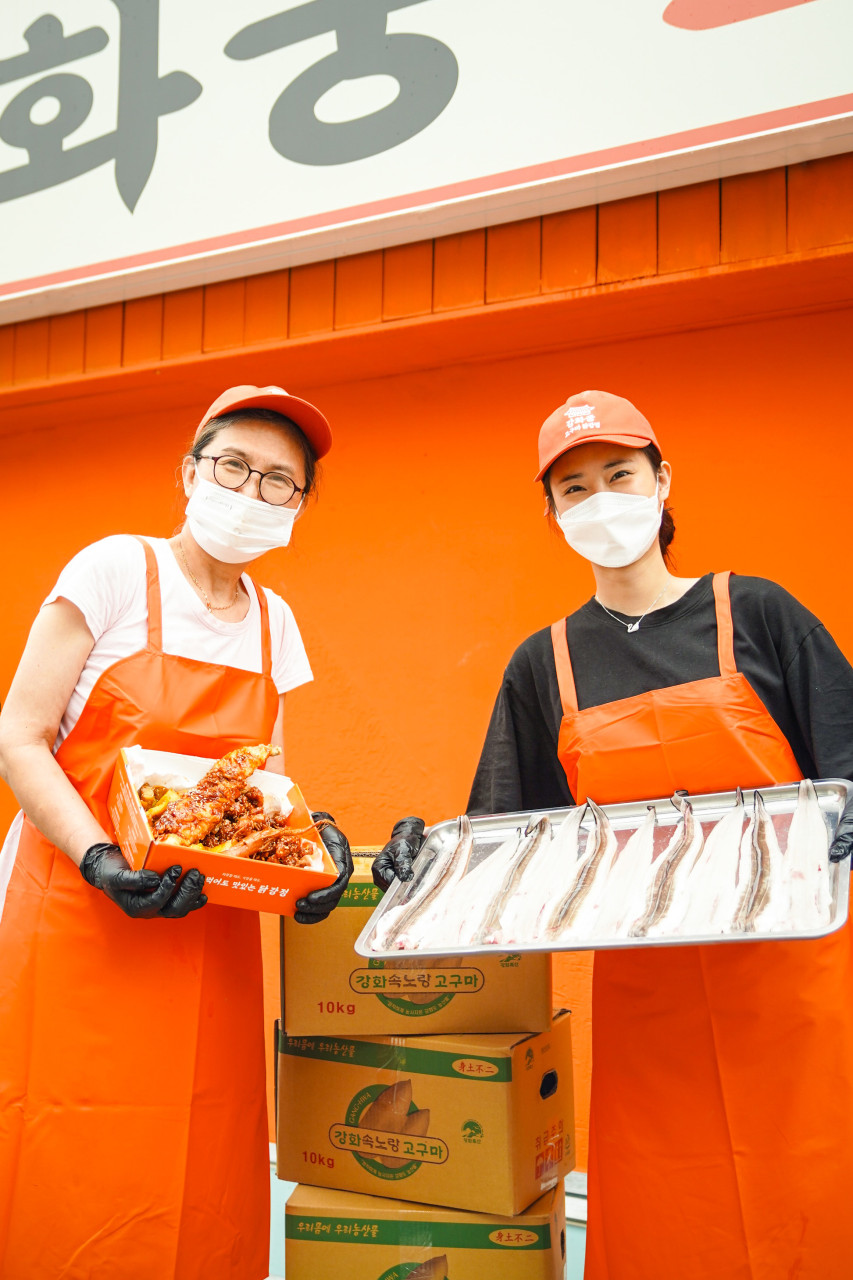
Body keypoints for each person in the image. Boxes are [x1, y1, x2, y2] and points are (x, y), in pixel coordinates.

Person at [374, 389, 853, 1280]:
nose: (599, 501)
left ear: (662, 482)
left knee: (815, 1191)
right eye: (573, 488)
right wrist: (422, 857)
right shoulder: (544, 661)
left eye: (617, 475)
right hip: (651, 999)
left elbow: (846, 758)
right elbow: (505, 836)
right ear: (553, 515)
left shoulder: (754, 612)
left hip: (797, 981)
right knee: (672, 1215)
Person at [0, 384, 353, 1280]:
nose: (253, 491)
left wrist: (309, 864)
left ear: (301, 506)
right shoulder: (114, 568)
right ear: (190, 471)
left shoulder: (278, 625)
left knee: (206, 1150)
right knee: (62, 1148)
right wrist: (101, 861)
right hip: (76, 909)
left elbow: (262, 795)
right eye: (234, 465)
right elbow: (19, 736)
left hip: (205, 927)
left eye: (281, 480)